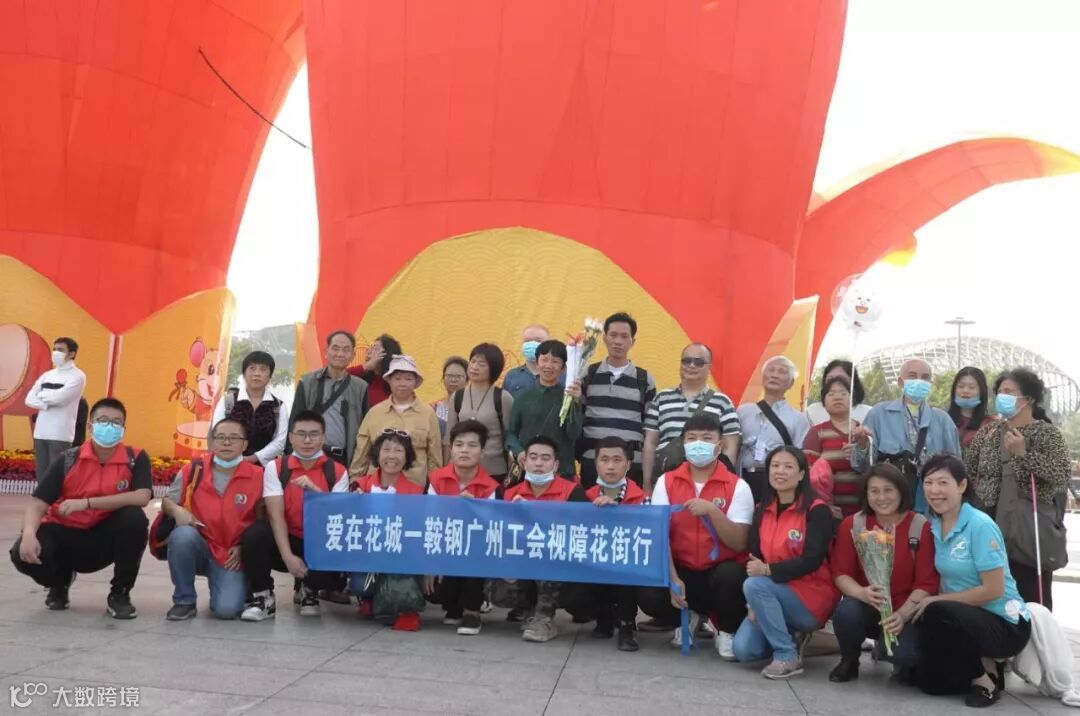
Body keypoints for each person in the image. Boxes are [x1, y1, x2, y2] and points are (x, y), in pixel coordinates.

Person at [10, 397, 150, 618]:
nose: (109, 426)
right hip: (66, 534)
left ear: (123, 429)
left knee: (135, 519)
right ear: (90, 426)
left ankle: (119, 594)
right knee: (21, 552)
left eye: (116, 422)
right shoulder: (68, 459)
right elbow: (38, 504)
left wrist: (87, 503)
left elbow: (142, 497)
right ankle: (59, 582)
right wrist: (28, 534)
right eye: (103, 420)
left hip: (104, 538)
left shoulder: (136, 458)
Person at [912, 455, 1031, 707]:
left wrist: (938, 600)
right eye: (928, 483)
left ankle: (985, 682)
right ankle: (985, 666)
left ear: (962, 485)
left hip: (1004, 624)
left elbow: (994, 590)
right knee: (930, 685)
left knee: (935, 609)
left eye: (943, 482)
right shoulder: (934, 526)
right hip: (963, 618)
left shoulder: (980, 525)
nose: (934, 490)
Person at [639, 414, 754, 658]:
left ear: (719, 446)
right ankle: (686, 619)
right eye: (692, 438)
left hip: (719, 572)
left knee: (732, 576)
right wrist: (672, 579)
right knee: (648, 591)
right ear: (683, 444)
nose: (698, 444)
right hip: (682, 569)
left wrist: (713, 511)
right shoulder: (666, 482)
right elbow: (659, 536)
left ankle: (726, 630)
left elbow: (739, 543)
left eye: (706, 438)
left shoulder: (738, 486)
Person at [965, 368, 1070, 608]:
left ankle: (1034, 631)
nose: (1002, 397)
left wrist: (1025, 454)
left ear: (1029, 398)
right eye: (1000, 392)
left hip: (1026, 528)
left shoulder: (1046, 433)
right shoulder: (988, 432)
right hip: (989, 525)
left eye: (1009, 392)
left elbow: (1060, 474)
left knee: (1030, 599)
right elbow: (969, 471)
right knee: (992, 597)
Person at [732, 446, 838, 680]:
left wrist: (768, 571)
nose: (780, 471)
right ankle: (792, 636)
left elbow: (812, 560)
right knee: (744, 650)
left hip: (810, 596)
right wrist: (754, 604)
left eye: (788, 466)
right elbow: (754, 558)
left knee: (754, 585)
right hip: (770, 593)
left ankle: (786, 654)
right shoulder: (762, 509)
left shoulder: (816, 510)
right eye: (775, 466)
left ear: (801, 474)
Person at [828, 463, 939, 683]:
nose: (881, 497)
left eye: (888, 490)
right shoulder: (854, 524)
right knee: (847, 611)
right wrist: (861, 593)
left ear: (901, 491)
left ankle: (895, 654)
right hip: (869, 604)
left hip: (906, 608)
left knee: (904, 655)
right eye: (874, 491)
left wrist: (902, 615)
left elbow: (926, 583)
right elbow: (841, 573)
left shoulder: (920, 527)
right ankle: (849, 660)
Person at [239, 410, 350, 622]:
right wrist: (288, 556)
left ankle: (309, 590)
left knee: (336, 552)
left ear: (323, 437)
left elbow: (335, 519)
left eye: (314, 434)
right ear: (291, 437)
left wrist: (316, 493)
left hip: (318, 540)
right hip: (286, 538)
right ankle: (263, 597)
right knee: (255, 534)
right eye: (301, 434)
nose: (307, 440)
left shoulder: (337, 471)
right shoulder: (276, 467)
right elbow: (275, 516)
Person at [161, 418, 264, 621]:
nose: (226, 443)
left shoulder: (258, 476)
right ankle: (184, 600)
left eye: (234, 438)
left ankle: (228, 586)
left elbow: (263, 521)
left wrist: (245, 547)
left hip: (231, 555)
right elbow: (167, 501)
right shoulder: (194, 470)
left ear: (244, 444)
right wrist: (176, 510)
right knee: (182, 536)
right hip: (200, 545)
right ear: (212, 442)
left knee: (226, 610)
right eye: (220, 437)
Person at [560, 436, 647, 652]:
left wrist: (617, 512)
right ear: (596, 464)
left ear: (628, 464)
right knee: (572, 598)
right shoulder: (584, 497)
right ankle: (604, 617)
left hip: (627, 568)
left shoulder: (642, 499)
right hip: (594, 565)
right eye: (604, 459)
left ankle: (627, 626)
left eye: (617, 460)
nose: (610, 466)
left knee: (625, 566)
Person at [503, 435, 588, 642]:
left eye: (545, 458)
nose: (539, 463)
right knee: (497, 586)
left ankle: (544, 619)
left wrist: (534, 514)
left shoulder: (573, 492)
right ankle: (528, 608)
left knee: (550, 557)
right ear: (524, 462)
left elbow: (581, 531)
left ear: (555, 465)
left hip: (561, 565)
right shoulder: (509, 494)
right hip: (521, 562)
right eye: (533, 457)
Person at [852, 358, 961, 512]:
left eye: (925, 378)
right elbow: (861, 466)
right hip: (890, 504)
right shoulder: (879, 414)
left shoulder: (942, 419)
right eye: (912, 376)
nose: (919, 381)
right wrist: (863, 444)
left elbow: (956, 465)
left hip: (931, 504)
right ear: (900, 382)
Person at [424, 419, 501, 636]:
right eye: (459, 445)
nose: (464, 450)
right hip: (444, 547)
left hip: (477, 553)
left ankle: (472, 610)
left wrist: (475, 510)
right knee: (436, 590)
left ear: (482, 452)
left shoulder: (492, 487)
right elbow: (429, 521)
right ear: (451, 449)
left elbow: (493, 531)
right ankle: (454, 606)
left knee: (474, 548)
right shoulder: (435, 479)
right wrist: (429, 563)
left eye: (472, 445)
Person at [347, 429, 427, 630]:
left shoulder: (416, 492)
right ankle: (370, 599)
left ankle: (394, 603)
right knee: (360, 585)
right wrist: (354, 502)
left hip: (400, 559)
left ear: (407, 457)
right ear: (377, 453)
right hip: (368, 557)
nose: (392, 456)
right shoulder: (359, 487)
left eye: (399, 451)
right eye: (387, 449)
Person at [642, 343, 740, 491]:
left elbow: (730, 446)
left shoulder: (722, 402)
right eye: (686, 361)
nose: (691, 365)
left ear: (709, 367)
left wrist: (724, 482)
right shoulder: (661, 398)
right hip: (665, 480)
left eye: (698, 362)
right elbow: (650, 443)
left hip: (707, 480)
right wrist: (647, 483)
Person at [577, 312, 656, 488]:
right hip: (593, 461)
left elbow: (649, 427)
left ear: (632, 342)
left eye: (624, 336)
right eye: (613, 335)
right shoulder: (588, 374)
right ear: (604, 338)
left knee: (629, 505)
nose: (618, 341)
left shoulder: (644, 379)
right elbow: (578, 417)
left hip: (631, 463)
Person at [350, 354, 443, 485]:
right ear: (389, 381)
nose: (402, 383)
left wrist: (434, 486)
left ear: (415, 382)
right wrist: (355, 480)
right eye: (397, 378)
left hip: (415, 487)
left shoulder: (428, 414)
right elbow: (362, 451)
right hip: (377, 488)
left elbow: (434, 457)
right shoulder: (375, 412)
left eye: (408, 379)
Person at [289, 330, 370, 467]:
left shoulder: (360, 387)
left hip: (344, 459)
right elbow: (295, 420)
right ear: (326, 352)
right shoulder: (307, 382)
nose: (340, 354)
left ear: (353, 355)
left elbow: (365, 429)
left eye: (346, 350)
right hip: (310, 456)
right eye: (335, 348)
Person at [736, 356, 811, 502]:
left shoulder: (799, 419)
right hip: (743, 480)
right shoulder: (743, 412)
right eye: (771, 370)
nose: (775, 375)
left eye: (782, 371)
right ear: (763, 377)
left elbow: (801, 458)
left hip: (779, 483)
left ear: (791, 383)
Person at [506, 340, 583, 480]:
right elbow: (511, 434)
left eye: (555, 361)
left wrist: (575, 403)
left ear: (564, 368)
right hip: (529, 470)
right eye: (544, 360)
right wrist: (519, 452)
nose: (548, 365)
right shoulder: (524, 397)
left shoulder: (570, 398)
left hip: (561, 471)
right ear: (537, 363)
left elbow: (574, 434)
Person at [445, 343, 515, 482]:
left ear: (493, 369)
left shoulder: (503, 398)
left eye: (481, 364)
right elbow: (449, 437)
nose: (474, 367)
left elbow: (511, 436)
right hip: (462, 470)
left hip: (494, 471)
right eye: (473, 361)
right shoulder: (457, 396)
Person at [25, 337, 87, 483]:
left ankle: (57, 499)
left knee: (58, 476)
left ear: (71, 354)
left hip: (61, 433)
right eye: (54, 349)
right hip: (40, 432)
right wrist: (48, 402)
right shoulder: (47, 375)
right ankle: (42, 498)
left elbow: (60, 398)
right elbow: (29, 399)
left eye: (60, 350)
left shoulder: (78, 376)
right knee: (42, 475)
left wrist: (42, 396)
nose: (55, 353)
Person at [212, 350, 288, 466]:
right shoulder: (228, 401)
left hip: (263, 468)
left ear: (270, 376)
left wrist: (254, 458)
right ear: (244, 373)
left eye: (263, 369)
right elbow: (216, 433)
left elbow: (280, 442)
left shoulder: (278, 406)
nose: (257, 373)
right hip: (228, 464)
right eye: (252, 368)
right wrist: (234, 458)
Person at [802, 376, 861, 517]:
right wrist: (824, 505)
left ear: (852, 399)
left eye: (843, 393)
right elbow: (808, 474)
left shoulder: (863, 431)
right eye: (831, 394)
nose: (837, 397)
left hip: (863, 509)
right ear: (824, 403)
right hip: (829, 511)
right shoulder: (817, 432)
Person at [805, 359, 871, 425]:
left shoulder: (869, 413)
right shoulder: (812, 412)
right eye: (830, 379)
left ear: (854, 383)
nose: (835, 383)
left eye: (842, 379)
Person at [948, 367, 997, 451]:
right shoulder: (943, 419)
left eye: (971, 387)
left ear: (982, 392)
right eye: (961, 386)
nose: (965, 391)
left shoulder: (991, 424)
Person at [348, 333, 403, 406]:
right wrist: (366, 366)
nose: (368, 351)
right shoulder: (362, 376)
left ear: (386, 354)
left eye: (375, 348)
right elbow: (339, 377)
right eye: (370, 347)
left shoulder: (395, 382)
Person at [503, 324, 551, 397]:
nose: (532, 344)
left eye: (538, 340)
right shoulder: (511, 376)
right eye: (527, 341)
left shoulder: (561, 377)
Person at [433, 356, 468, 438]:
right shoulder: (433, 409)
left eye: (458, 376)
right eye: (449, 376)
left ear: (467, 380)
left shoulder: (474, 408)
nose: (453, 380)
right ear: (443, 378)